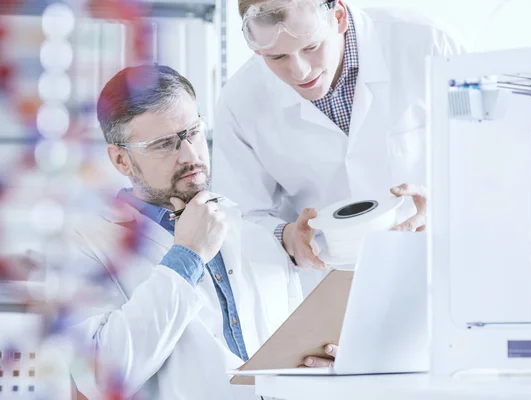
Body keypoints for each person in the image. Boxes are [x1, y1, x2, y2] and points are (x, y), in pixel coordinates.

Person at [68, 65, 334, 400]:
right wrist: (187, 256)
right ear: (121, 160)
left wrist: (320, 369)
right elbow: (95, 376)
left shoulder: (250, 231)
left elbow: (291, 358)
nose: (191, 155)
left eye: (192, 132)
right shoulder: (85, 246)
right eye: (164, 144)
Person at [212, 0, 462, 292]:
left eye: (311, 47)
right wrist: (287, 236)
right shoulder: (240, 101)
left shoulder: (430, 44)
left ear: (339, 16)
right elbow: (241, 217)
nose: (300, 71)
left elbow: (498, 158)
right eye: (276, 57)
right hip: (331, 288)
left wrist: (444, 207)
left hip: (443, 267)